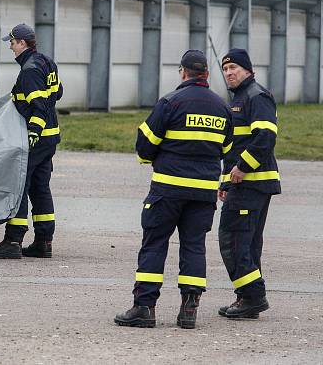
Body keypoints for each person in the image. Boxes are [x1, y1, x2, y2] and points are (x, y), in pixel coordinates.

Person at [114, 50, 233, 329]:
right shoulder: (222, 108)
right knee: (194, 246)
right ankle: (189, 310)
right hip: (203, 193)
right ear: (206, 74)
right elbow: (227, 149)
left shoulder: (170, 102)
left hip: (167, 189)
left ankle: (144, 308)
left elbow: (144, 145)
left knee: (155, 243)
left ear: (183, 72)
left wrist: (153, 158)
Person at [0, 23, 63, 259]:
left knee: (19, 187)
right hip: (50, 139)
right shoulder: (46, 62)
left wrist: (32, 134)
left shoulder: (29, 70)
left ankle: (13, 240)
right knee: (40, 189)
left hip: (36, 140)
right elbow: (57, 93)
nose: (10, 46)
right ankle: (43, 242)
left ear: (22, 43)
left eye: (12, 42)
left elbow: (38, 107)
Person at [217, 48, 280, 319]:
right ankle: (247, 297)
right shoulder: (240, 98)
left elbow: (265, 137)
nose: (229, 73)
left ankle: (253, 296)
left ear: (248, 71)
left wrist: (242, 168)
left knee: (233, 239)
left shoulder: (256, 96)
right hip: (244, 184)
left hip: (253, 182)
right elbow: (232, 147)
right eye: (226, 70)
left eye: (234, 69)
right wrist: (226, 182)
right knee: (247, 242)